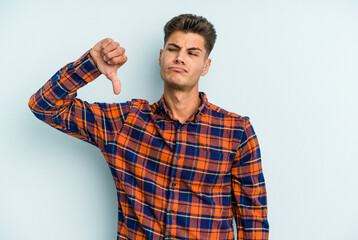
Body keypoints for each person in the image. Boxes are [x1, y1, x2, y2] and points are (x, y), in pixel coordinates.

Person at [29, 14, 269, 240]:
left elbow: (253, 218)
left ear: (206, 66)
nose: (180, 57)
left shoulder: (236, 130)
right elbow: (44, 106)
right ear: (161, 57)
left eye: (192, 53)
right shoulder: (125, 123)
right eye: (173, 49)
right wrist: (91, 64)